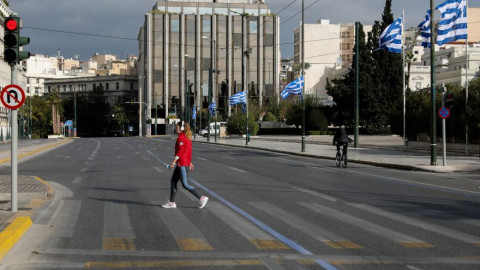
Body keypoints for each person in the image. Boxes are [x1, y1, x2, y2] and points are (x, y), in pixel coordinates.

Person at [162, 120, 209, 209]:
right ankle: (172, 202)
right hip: (182, 163)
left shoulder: (181, 137)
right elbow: (187, 151)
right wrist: (190, 162)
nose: (175, 128)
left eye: (176, 127)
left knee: (185, 184)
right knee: (173, 181)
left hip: (182, 164)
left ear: (180, 128)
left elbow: (180, 151)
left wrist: (173, 162)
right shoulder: (185, 137)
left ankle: (202, 198)